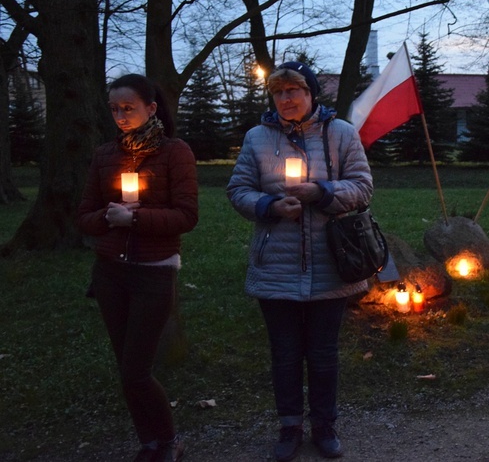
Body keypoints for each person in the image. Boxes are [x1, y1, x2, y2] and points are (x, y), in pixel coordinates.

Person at [226, 62, 373, 461]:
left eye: (295, 91)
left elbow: (362, 189)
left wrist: (320, 192)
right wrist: (271, 205)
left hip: (332, 262)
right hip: (276, 263)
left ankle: (325, 425)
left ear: (311, 94)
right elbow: (237, 190)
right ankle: (290, 425)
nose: (287, 99)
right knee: (285, 353)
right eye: (279, 93)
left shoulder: (340, 133)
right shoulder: (257, 137)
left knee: (324, 353)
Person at [77, 73, 198, 462]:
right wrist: (108, 219)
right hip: (110, 271)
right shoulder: (104, 155)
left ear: (151, 107)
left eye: (128, 107)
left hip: (154, 270)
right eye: (114, 108)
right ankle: (149, 442)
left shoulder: (174, 152)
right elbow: (84, 216)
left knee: (136, 370)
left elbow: (186, 215)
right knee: (125, 366)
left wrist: (137, 219)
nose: (120, 115)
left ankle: (168, 441)